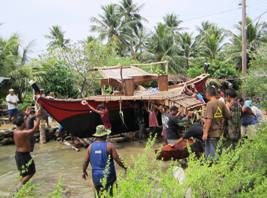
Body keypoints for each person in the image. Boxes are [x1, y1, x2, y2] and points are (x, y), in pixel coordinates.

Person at [82, 125, 127, 197]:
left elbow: (85, 161)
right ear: (104, 135)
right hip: (109, 177)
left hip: (96, 178)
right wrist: (125, 167)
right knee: (110, 194)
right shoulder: (110, 146)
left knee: (98, 195)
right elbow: (117, 160)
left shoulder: (90, 147)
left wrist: (84, 171)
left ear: (96, 136)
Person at [13, 110, 41, 189]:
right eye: (24, 122)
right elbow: (34, 130)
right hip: (23, 156)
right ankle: (18, 187)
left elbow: (24, 124)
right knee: (32, 172)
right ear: (22, 124)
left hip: (19, 155)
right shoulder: (22, 133)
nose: (25, 122)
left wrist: (26, 115)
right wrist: (38, 118)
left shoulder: (16, 130)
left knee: (24, 173)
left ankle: (22, 190)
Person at [202, 86, 230, 160]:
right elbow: (228, 115)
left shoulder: (209, 104)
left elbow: (209, 119)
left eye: (205, 93)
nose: (205, 95)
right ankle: (218, 167)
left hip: (211, 133)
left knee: (211, 155)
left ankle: (212, 169)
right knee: (218, 152)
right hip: (219, 132)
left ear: (208, 93)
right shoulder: (221, 103)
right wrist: (220, 120)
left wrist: (205, 133)